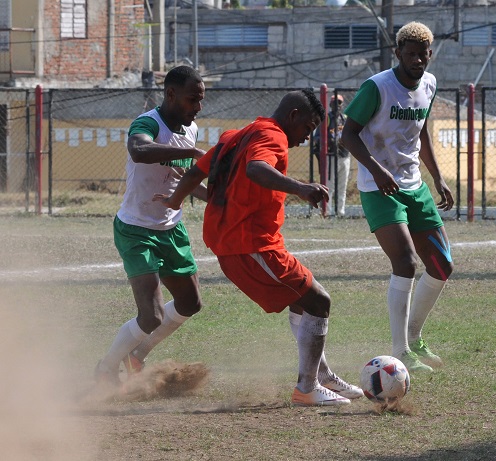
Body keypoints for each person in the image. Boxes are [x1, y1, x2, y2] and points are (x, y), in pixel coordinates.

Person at [153, 88, 363, 406]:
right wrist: (301, 188)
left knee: (302, 301)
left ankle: (320, 376)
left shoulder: (235, 135)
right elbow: (256, 169)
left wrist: (174, 199)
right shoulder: (273, 135)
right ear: (293, 116)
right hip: (250, 245)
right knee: (319, 301)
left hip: (240, 242)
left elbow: (198, 171)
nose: (306, 138)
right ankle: (306, 389)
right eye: (307, 128)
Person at [341, 22, 454, 373]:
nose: (418, 60)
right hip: (379, 188)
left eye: (423, 54)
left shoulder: (430, 84)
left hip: (414, 185)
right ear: (398, 54)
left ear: (430, 53)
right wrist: (376, 169)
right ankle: (400, 351)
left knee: (441, 265)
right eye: (411, 54)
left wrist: (437, 177)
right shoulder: (377, 87)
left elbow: (422, 134)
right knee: (405, 263)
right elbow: (347, 135)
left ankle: (414, 336)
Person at [95, 65, 208, 386]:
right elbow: (139, 149)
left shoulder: (192, 129)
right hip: (136, 230)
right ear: (170, 94)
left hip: (172, 229)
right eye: (192, 99)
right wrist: (191, 151)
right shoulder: (147, 123)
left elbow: (183, 178)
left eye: (201, 100)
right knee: (152, 316)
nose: (198, 107)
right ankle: (106, 367)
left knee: (190, 303)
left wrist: (217, 198)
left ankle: (137, 354)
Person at [313, 94, 351, 217]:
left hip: (344, 155)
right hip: (331, 155)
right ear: (330, 105)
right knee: (329, 185)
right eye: (335, 103)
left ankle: (340, 212)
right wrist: (329, 141)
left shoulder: (344, 118)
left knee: (342, 185)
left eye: (339, 103)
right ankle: (327, 211)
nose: (337, 106)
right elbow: (317, 137)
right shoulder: (327, 119)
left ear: (342, 105)